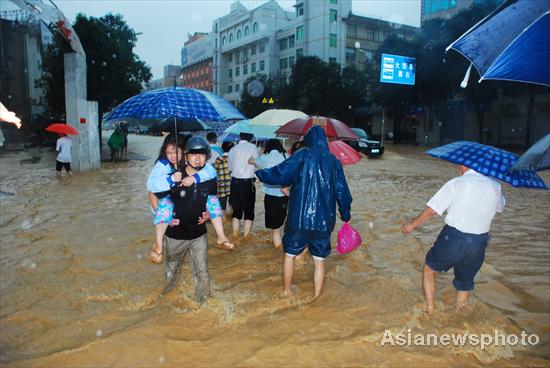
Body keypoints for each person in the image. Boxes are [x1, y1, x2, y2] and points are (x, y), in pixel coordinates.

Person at [256, 126, 352, 299]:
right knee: (319, 260)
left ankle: (286, 292)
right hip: (324, 222)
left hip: (299, 218)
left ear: (308, 140)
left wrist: (261, 173)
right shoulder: (334, 161)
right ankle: (316, 298)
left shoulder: (302, 155)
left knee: (290, 255)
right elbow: (342, 192)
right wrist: (346, 215)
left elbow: (280, 173)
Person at [401, 164, 505, 315]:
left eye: (459, 165)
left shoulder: (458, 183)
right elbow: (500, 207)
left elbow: (433, 210)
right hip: (480, 242)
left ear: (464, 165)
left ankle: (430, 311)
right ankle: (459, 315)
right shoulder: (495, 185)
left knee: (429, 269)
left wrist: (411, 225)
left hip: (455, 238)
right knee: (465, 282)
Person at [147, 135, 233, 263]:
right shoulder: (162, 165)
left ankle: (221, 236)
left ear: (184, 152)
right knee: (165, 204)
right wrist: (162, 215)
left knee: (213, 201)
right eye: (169, 152)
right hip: (166, 206)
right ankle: (158, 244)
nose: (173, 156)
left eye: (176, 152)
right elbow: (151, 188)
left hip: (188, 211)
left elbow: (210, 171)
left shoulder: (189, 162)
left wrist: (195, 178)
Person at [162, 136, 219, 304]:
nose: (197, 158)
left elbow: (212, 201)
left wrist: (209, 214)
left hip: (198, 234)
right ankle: (166, 302)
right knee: (171, 272)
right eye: (193, 154)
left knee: (202, 271)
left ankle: (204, 305)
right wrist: (166, 218)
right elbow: (156, 198)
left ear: (207, 157)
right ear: (186, 156)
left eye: (202, 154)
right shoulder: (174, 176)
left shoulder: (209, 178)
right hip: (175, 235)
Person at [249, 139, 288, 248]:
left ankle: (277, 249)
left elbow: (251, 161)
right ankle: (276, 243)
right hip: (284, 195)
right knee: (279, 223)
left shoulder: (264, 158)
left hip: (271, 196)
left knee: (274, 226)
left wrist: (253, 156)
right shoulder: (286, 156)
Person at [228, 132, 260, 238]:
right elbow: (258, 162)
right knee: (249, 212)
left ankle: (235, 235)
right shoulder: (252, 147)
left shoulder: (233, 149)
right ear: (251, 138)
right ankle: (246, 238)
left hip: (234, 183)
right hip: (247, 184)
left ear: (240, 137)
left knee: (236, 212)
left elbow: (230, 168)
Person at [214, 141, 234, 217]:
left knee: (222, 209)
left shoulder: (218, 159)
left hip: (221, 186)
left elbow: (215, 173)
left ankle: (224, 225)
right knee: (233, 208)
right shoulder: (234, 159)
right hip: (233, 185)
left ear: (222, 149)